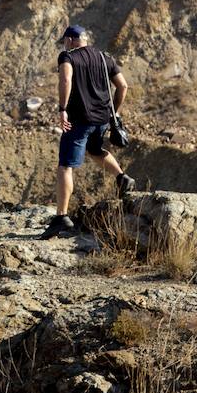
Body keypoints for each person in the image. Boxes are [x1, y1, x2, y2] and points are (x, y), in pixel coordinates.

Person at [43, 24, 137, 239]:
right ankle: (122, 178)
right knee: (95, 150)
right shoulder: (104, 57)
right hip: (102, 119)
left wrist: (62, 109)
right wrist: (114, 113)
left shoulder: (67, 56)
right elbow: (123, 86)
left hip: (79, 120)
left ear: (69, 40)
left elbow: (66, 79)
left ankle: (61, 217)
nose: (64, 45)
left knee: (65, 166)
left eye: (65, 41)